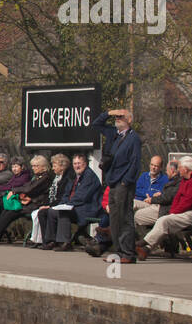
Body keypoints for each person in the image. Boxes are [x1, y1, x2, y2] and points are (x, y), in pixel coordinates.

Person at [137, 157, 192, 260]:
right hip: (188, 213)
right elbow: (178, 198)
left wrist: (173, 214)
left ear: (186, 169)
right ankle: (145, 249)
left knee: (165, 220)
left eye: (180, 168)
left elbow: (188, 202)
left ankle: (142, 243)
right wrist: (173, 213)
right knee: (165, 220)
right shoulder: (186, 179)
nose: (178, 170)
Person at [92, 108, 142, 263]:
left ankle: (128, 253)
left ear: (129, 120)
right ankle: (118, 251)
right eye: (117, 117)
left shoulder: (133, 138)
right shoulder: (114, 134)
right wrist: (109, 113)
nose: (118, 119)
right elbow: (96, 124)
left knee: (124, 217)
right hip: (112, 182)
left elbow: (135, 162)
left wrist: (126, 181)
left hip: (123, 183)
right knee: (114, 219)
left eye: (122, 117)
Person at [39, 153, 102, 250]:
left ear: (85, 164)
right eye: (75, 163)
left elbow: (82, 197)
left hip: (88, 208)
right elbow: (66, 194)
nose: (77, 166)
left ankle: (65, 242)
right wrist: (62, 204)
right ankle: (51, 241)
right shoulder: (74, 176)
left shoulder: (89, 176)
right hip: (74, 206)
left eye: (79, 163)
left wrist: (66, 205)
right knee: (52, 211)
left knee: (64, 211)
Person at [0, 156, 52, 244]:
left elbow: (29, 188)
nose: (33, 168)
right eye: (33, 166)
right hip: (27, 201)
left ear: (43, 166)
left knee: (11, 211)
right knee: (7, 210)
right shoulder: (37, 176)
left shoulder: (45, 177)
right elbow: (26, 186)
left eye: (36, 166)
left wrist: (14, 191)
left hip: (36, 204)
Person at [25, 154, 74, 247]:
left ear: (62, 167)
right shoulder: (56, 178)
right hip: (54, 204)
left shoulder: (66, 179)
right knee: (41, 211)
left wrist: (49, 206)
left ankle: (49, 240)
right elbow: (50, 195)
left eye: (55, 166)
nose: (52, 168)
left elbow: (61, 197)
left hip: (60, 205)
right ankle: (45, 240)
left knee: (44, 212)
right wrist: (46, 204)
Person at [136, 159, 180, 235]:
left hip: (154, 204)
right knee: (130, 204)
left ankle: (139, 240)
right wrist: (150, 193)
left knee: (136, 215)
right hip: (143, 200)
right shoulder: (144, 176)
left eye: (156, 166)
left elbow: (162, 195)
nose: (153, 167)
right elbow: (136, 190)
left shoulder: (166, 179)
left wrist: (152, 198)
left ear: (160, 168)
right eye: (152, 165)